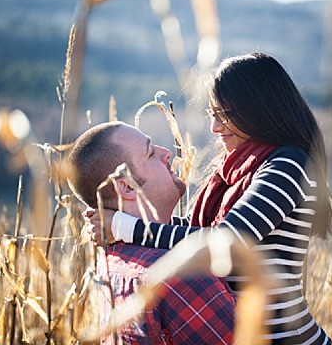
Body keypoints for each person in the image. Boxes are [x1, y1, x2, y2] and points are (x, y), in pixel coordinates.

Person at [90, 52, 332, 344]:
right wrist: (127, 219)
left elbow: (224, 242)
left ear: (259, 109)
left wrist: (123, 227)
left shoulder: (289, 164)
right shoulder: (239, 168)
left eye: (224, 115)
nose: (214, 128)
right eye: (212, 115)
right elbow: (196, 233)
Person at [67, 121, 235, 344]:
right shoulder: (181, 275)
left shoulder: (112, 258)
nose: (166, 153)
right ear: (126, 187)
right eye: (150, 153)